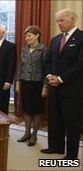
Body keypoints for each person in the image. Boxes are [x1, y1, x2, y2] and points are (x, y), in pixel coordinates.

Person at [41, 9, 83, 160]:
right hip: (53, 87)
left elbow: (80, 65)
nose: (58, 23)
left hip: (72, 89)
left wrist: (61, 79)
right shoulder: (55, 39)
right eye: (57, 21)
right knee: (54, 118)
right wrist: (49, 76)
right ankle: (55, 147)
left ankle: (71, 156)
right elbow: (47, 62)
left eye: (61, 20)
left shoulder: (81, 37)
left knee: (72, 123)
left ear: (72, 19)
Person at [15, 26, 48, 146]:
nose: (27, 38)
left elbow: (47, 69)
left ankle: (34, 135)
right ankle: (27, 132)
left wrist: (46, 86)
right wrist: (18, 82)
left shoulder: (44, 49)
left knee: (37, 111)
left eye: (29, 35)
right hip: (26, 83)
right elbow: (20, 66)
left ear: (37, 35)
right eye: (26, 36)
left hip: (38, 84)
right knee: (27, 109)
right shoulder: (24, 50)